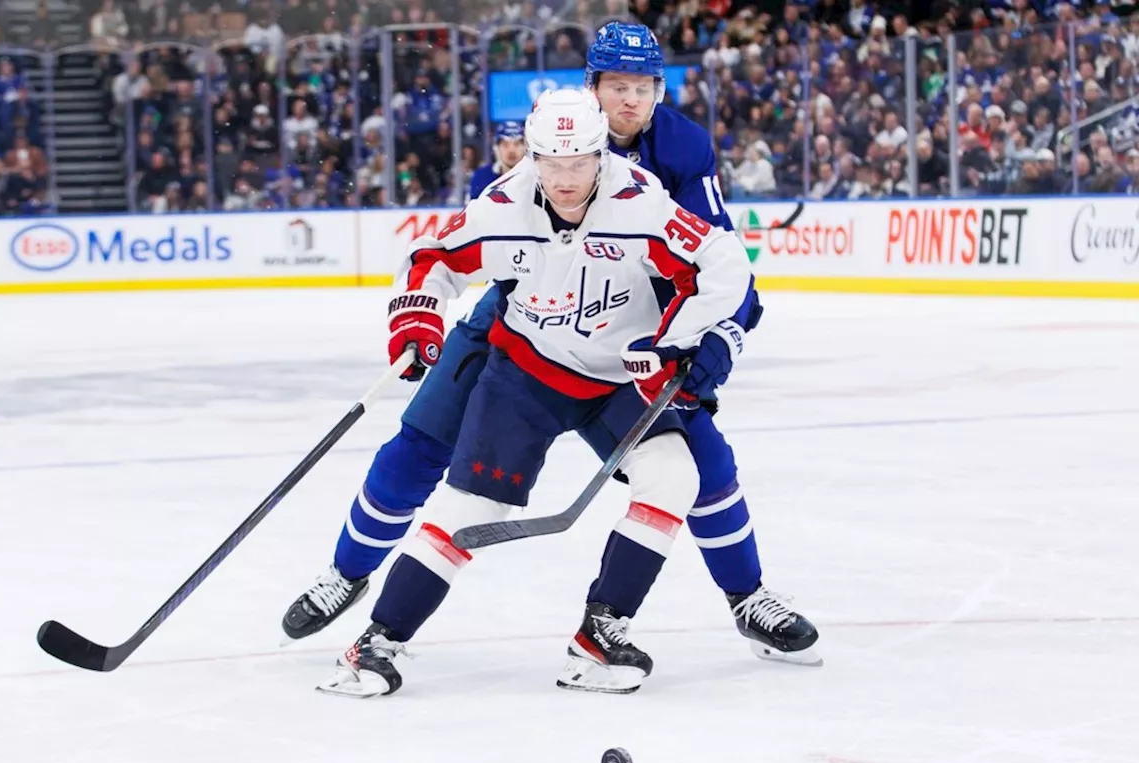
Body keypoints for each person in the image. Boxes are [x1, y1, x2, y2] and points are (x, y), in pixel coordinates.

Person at [284, 23, 820, 670]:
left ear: (659, 90)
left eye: (643, 86)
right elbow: (457, 249)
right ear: (589, 90)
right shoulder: (543, 150)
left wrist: (717, 336)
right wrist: (419, 316)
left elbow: (721, 263)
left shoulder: (678, 152)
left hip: (631, 335)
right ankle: (349, 572)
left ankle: (746, 595)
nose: (629, 100)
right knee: (419, 448)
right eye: (615, 86)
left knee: (699, 465)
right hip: (521, 320)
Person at [320, 88, 743, 697]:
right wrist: (417, 318)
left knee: (675, 478)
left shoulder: (640, 203)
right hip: (526, 374)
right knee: (472, 509)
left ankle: (599, 636)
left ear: (602, 154)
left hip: (619, 377)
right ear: (533, 157)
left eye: (580, 163)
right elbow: (430, 256)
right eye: (552, 164)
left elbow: (722, 261)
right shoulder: (501, 207)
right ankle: (377, 644)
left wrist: (681, 341)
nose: (566, 179)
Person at [468, 120, 527, 200]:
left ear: (525, 147)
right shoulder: (482, 177)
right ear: (496, 148)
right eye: (505, 144)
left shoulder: (537, 177)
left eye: (517, 144)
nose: (511, 150)